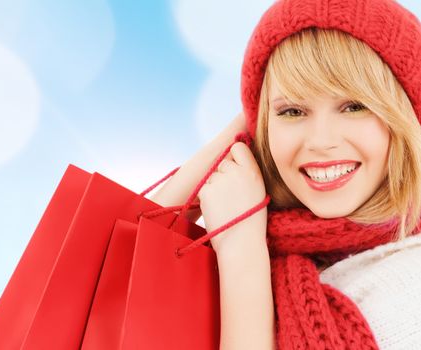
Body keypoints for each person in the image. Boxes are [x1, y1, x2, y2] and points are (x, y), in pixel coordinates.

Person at [150, 0, 421, 349]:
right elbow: (105, 271)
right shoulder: (261, 238)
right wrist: (243, 128)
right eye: (292, 111)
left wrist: (241, 253)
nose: (321, 141)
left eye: (354, 106)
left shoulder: (407, 285)